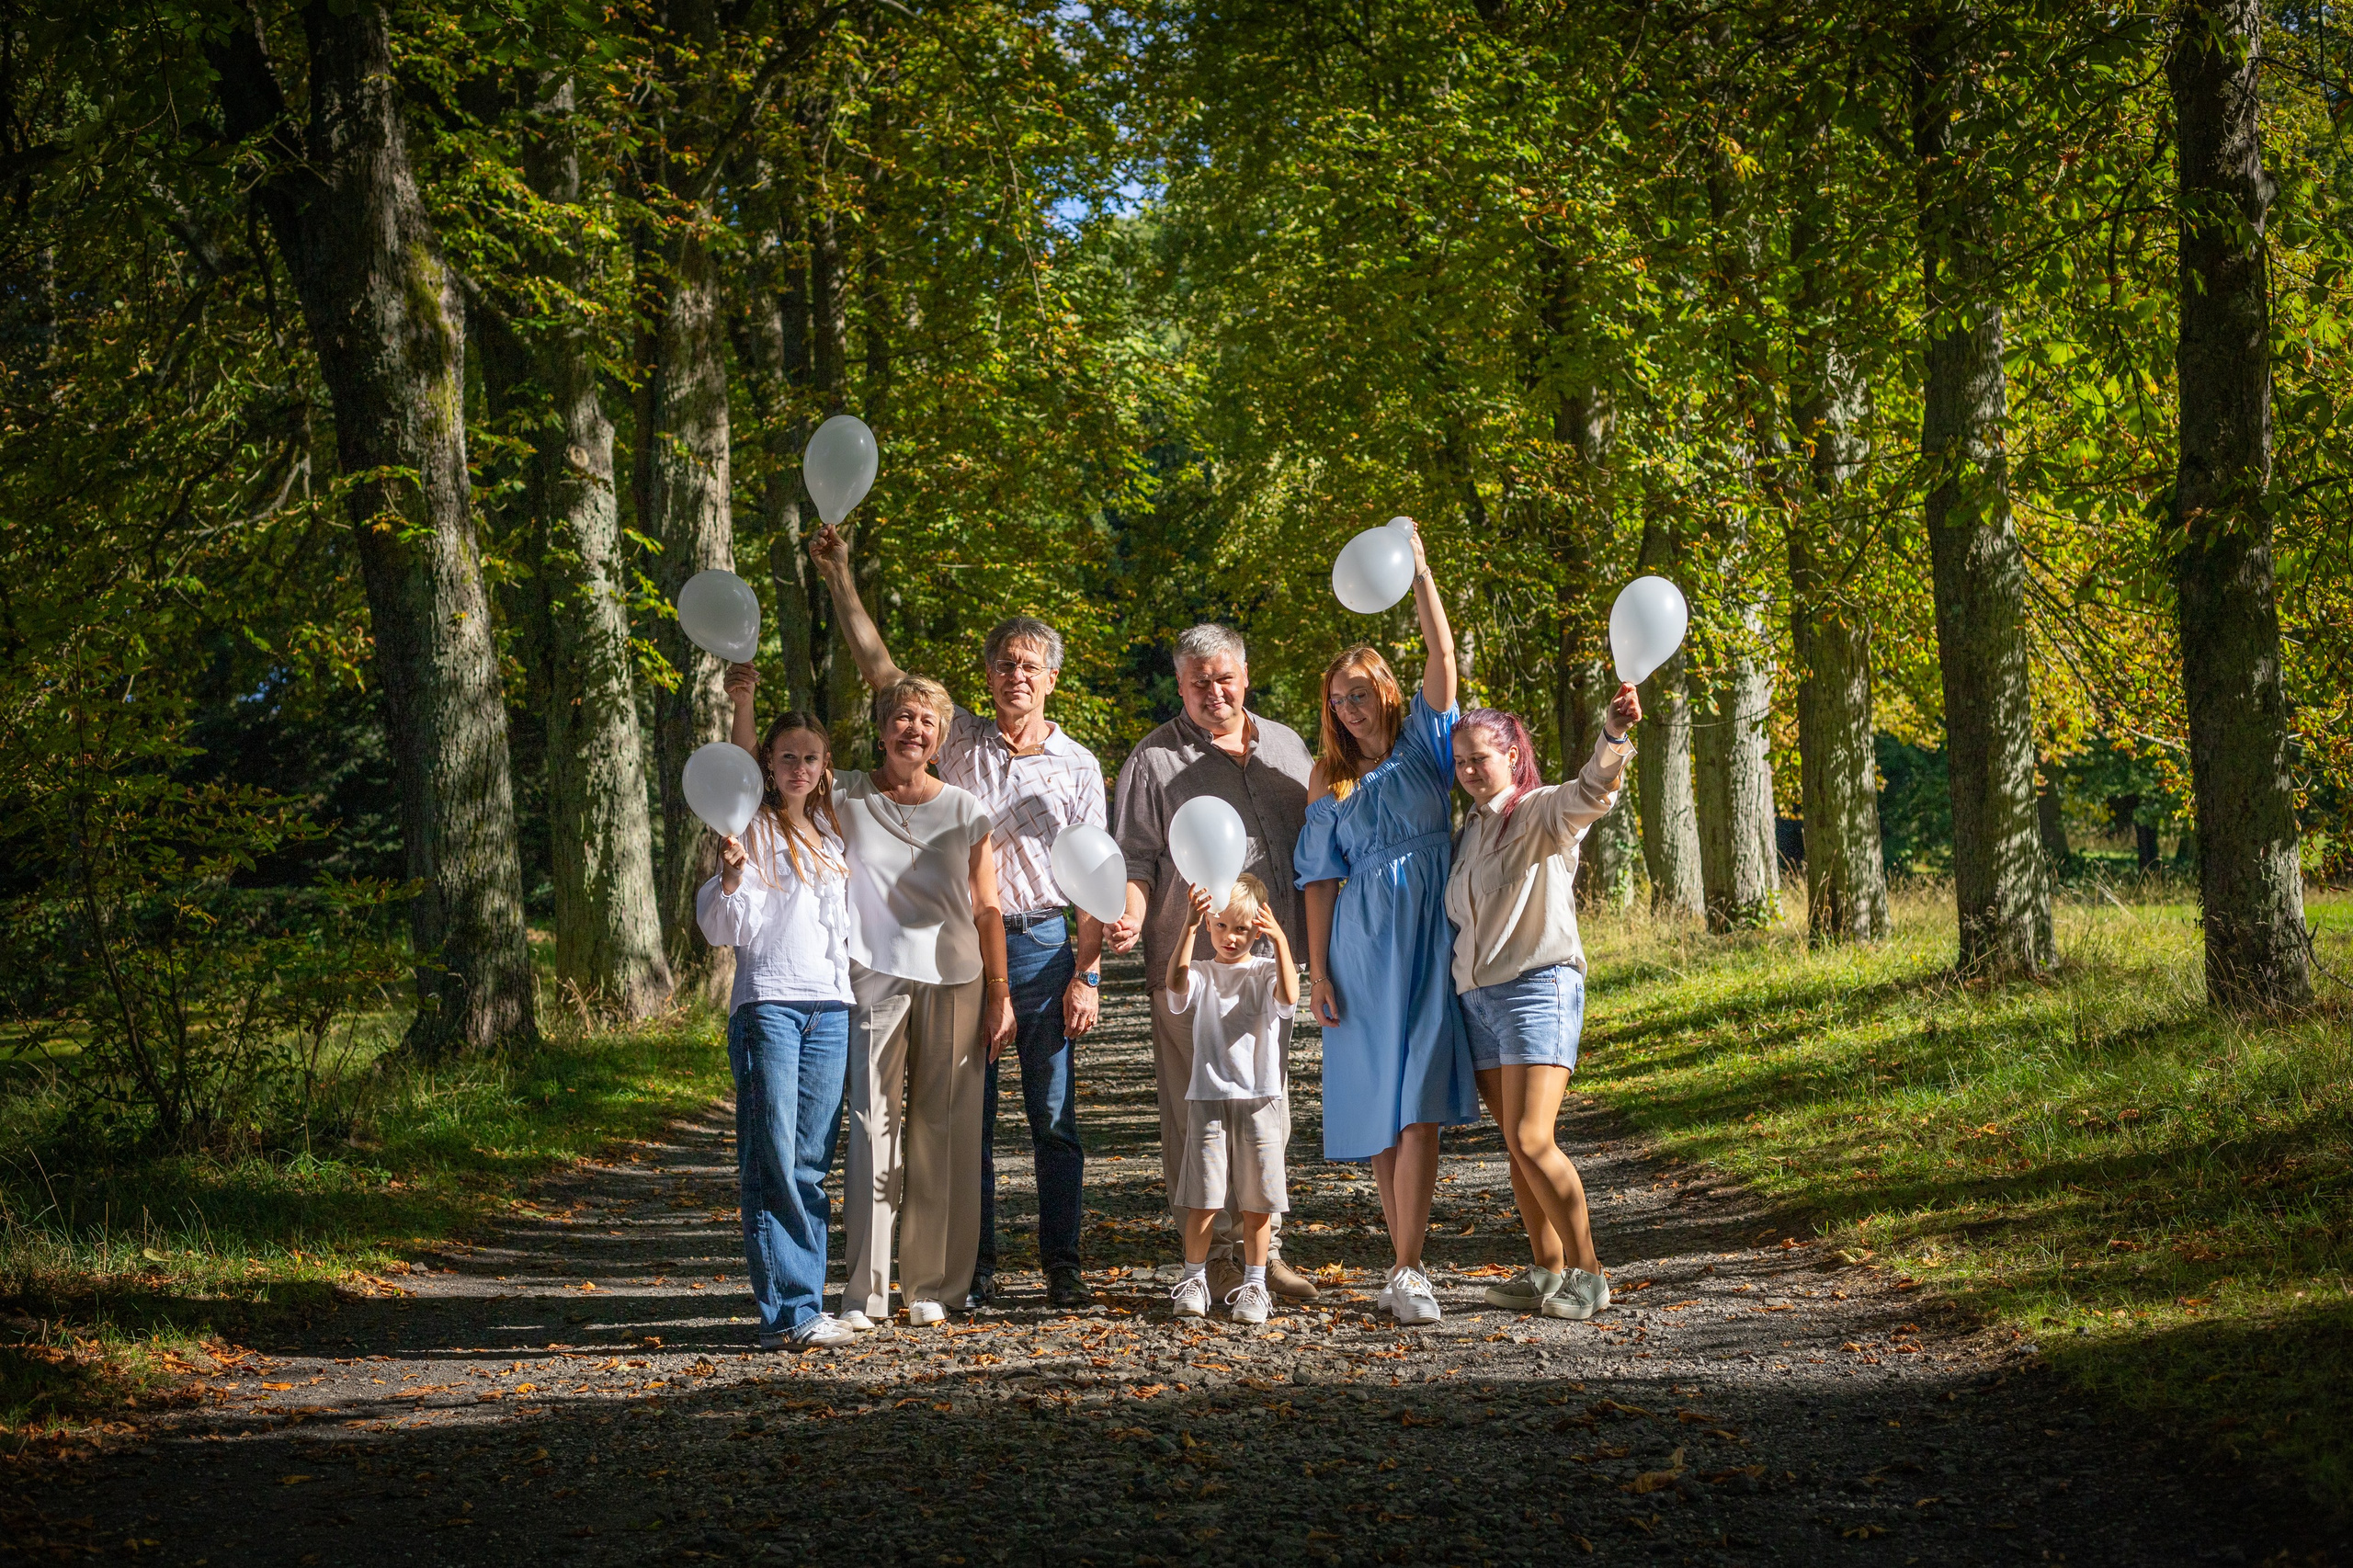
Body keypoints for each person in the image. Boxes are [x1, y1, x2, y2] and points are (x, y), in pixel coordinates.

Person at [809, 523, 1108, 1311]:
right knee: (961, 1117)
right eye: (1005, 663)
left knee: (1052, 1115)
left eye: (1030, 666)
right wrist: (840, 575)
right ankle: (971, 1269)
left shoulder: (1079, 766)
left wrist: (1090, 971)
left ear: (1051, 681)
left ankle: (1062, 1265)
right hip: (964, 948)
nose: (1016, 674)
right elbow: (883, 671)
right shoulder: (959, 736)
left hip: (1043, 940)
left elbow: (1099, 876)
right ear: (989, 674)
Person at [729, 666, 1016, 1327]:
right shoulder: (847, 794)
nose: (913, 728)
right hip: (870, 977)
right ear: (882, 728)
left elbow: (989, 909)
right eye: (902, 716)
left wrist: (1000, 993)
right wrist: (743, 704)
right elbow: (754, 780)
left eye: (927, 720)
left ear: (941, 737)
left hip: (958, 980)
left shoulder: (967, 810)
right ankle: (866, 1293)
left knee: (946, 1133)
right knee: (870, 1130)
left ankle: (933, 1288)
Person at [1294, 519, 1475, 1326]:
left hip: (1432, 935)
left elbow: (1444, 660)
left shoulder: (1430, 746)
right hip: (1361, 947)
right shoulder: (1327, 780)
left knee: (1420, 1102)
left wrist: (1424, 575)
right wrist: (1319, 971)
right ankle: (1403, 1267)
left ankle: (1410, 1265)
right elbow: (1317, 881)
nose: (1348, 709)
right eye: (1337, 701)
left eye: (1359, 694)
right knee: (1379, 1107)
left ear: (1386, 693)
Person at [1110, 624, 1322, 1304]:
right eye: (1198, 681)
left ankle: (1265, 1253)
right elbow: (1136, 860)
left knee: (1266, 1106)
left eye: (1224, 677)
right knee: (1197, 1115)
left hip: (1271, 966)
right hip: (1191, 972)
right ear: (1179, 685)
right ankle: (1212, 1259)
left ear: (1246, 675)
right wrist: (1133, 917)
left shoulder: (1288, 748)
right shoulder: (1153, 761)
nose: (1213, 691)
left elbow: (1320, 849)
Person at [1446, 692, 1638, 1321]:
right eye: (1462, 762)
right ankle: (1546, 1271)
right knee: (1514, 1145)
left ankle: (1591, 1273)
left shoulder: (1538, 811)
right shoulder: (1468, 832)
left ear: (1511, 753)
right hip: (1479, 1000)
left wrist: (1611, 735)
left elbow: (1592, 792)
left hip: (1537, 988)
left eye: (1482, 758)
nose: (1472, 770)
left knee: (1533, 1138)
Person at [697, 707, 859, 1350]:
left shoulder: (832, 832)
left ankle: (806, 1304)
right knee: (774, 1160)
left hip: (831, 1006)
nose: (799, 768)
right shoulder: (750, 827)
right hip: (771, 1006)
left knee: (813, 1164)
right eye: (787, 757)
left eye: (811, 758)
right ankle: (788, 1314)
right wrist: (731, 878)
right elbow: (725, 927)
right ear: (768, 763)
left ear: (824, 769)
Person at [1161, 874, 1298, 1325]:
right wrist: (1188, 927)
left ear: (1257, 930)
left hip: (1260, 1100)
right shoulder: (1203, 971)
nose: (1230, 938)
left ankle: (1255, 1284)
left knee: (1258, 1200)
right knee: (1203, 1198)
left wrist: (1280, 942)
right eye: (1221, 927)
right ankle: (1194, 1278)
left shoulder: (1265, 970)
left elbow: (1290, 996)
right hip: (1208, 1097)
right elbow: (1176, 984)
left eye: (1241, 929)